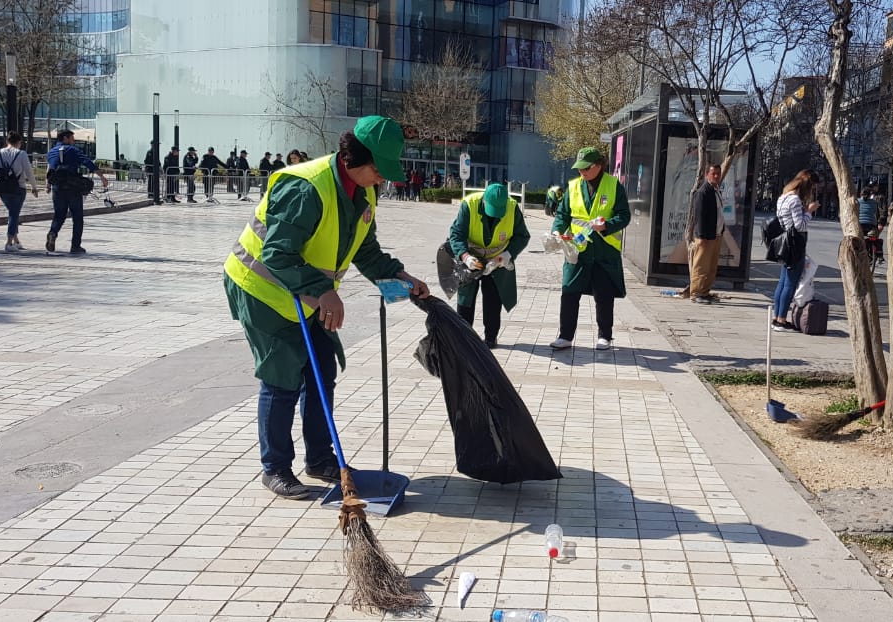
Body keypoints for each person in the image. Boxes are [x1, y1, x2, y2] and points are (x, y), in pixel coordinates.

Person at [223, 115, 430, 499]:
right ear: (353, 158)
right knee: (282, 378)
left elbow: (366, 251)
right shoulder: (305, 189)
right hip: (262, 289)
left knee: (321, 371)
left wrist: (401, 276)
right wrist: (323, 291)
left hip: (307, 296)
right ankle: (275, 468)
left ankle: (320, 459)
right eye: (378, 170)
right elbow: (277, 254)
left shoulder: (364, 192)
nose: (381, 179)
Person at [549, 147, 630, 351]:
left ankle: (605, 336)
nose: (582, 172)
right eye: (579, 168)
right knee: (569, 291)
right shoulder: (574, 186)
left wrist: (607, 225)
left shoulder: (614, 186)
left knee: (604, 295)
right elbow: (562, 215)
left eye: (586, 168)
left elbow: (624, 216)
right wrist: (557, 231)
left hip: (605, 249)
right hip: (577, 249)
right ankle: (565, 336)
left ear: (598, 166)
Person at [448, 183, 531, 348]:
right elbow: (456, 234)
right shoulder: (469, 205)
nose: (495, 215)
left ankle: (491, 338)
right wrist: (465, 256)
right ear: (484, 200)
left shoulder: (512, 208)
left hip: (497, 260)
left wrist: (507, 255)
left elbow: (522, 236)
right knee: (465, 298)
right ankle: (464, 338)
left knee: (493, 299)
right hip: (471, 256)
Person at [46, 130, 109, 254]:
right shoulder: (73, 150)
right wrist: (102, 176)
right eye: (72, 138)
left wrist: (48, 184)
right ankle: (75, 246)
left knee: (59, 215)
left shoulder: (51, 152)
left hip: (58, 187)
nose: (73, 140)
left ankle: (53, 233)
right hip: (73, 187)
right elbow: (87, 162)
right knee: (77, 217)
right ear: (65, 138)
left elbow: (50, 169)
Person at [771, 170, 819, 332]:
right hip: (795, 244)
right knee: (790, 282)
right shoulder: (795, 200)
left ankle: (777, 317)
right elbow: (800, 225)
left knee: (783, 281)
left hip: (785, 243)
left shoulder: (783, 197)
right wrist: (809, 212)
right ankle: (781, 319)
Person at [686, 164, 725, 303]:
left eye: (718, 173)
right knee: (701, 266)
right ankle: (696, 293)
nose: (716, 176)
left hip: (716, 234)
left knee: (711, 267)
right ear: (707, 175)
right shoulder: (703, 192)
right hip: (705, 237)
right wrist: (701, 236)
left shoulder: (716, 190)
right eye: (713, 173)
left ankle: (705, 291)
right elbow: (700, 216)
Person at [0, 132, 38, 252]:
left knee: (12, 212)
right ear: (19, 142)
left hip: (2, 188)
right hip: (18, 187)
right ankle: (9, 242)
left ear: (7, 141)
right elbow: (28, 171)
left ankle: (16, 241)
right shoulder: (21, 154)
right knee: (14, 214)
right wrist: (34, 187)